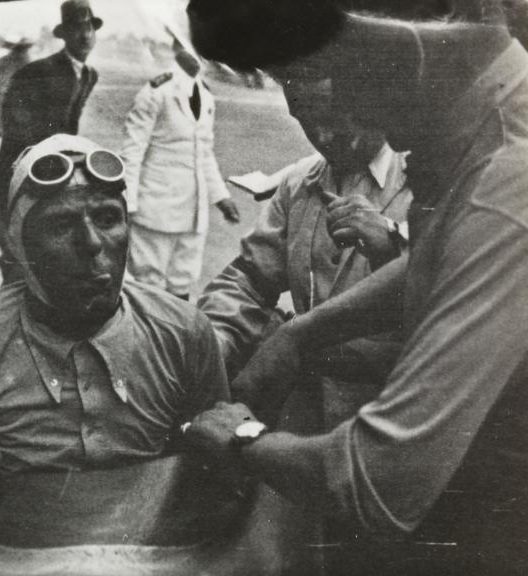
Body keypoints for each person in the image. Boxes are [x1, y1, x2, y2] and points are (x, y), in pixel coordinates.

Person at [184, 1, 528, 574]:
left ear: (405, 44)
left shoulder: (504, 188)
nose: (332, 109)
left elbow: (380, 481)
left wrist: (238, 437)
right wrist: (303, 334)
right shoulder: (482, 120)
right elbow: (437, 258)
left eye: (340, 69)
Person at [197, 74, 411, 573]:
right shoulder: (300, 184)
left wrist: (392, 248)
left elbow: (457, 297)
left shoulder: (425, 182)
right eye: (310, 121)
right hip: (305, 424)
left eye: (343, 118)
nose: (331, 137)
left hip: (389, 423)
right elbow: (250, 279)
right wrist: (213, 339)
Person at [0, 134, 230, 473]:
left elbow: (211, 474)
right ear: (20, 245)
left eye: (108, 219)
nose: (92, 243)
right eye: (62, 225)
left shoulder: (183, 333)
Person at [0, 0, 101, 284]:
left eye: (89, 27)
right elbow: (15, 124)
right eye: (77, 28)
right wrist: (52, 157)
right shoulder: (38, 71)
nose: (85, 35)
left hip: (54, 178)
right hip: (19, 177)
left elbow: (69, 127)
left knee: (47, 254)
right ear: (63, 35)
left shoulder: (89, 74)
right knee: (15, 253)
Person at [121, 40, 239, 301]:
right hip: (155, 208)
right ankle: (150, 338)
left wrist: (221, 197)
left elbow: (204, 152)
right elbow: (132, 152)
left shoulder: (206, 94)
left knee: (182, 281)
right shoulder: (156, 91)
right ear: (178, 48)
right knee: (147, 283)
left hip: (193, 211)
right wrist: (127, 203)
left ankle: (176, 336)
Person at [0, 36, 34, 136]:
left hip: (2, 91)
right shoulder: (24, 61)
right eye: (23, 49)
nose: (24, 52)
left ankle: (1, 129)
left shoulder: (1, 60)